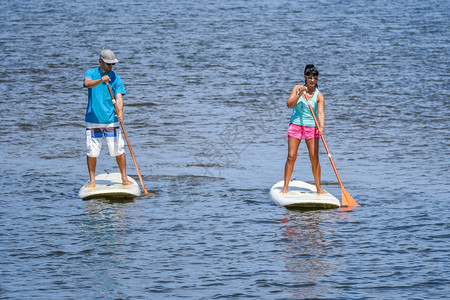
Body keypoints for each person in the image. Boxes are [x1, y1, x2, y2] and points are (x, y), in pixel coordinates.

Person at [83, 49, 132, 188]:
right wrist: (100, 80)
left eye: (113, 64)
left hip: (111, 120)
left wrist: (121, 112)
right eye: (108, 64)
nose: (111, 67)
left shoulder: (116, 78)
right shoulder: (91, 73)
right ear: (101, 62)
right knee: (92, 151)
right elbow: (87, 84)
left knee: (118, 150)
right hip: (93, 120)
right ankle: (92, 180)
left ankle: (124, 178)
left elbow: (119, 97)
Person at [281, 64, 326, 194]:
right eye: (309, 77)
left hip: (312, 127)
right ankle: (285, 187)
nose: (312, 80)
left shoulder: (319, 96)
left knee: (314, 157)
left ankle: (318, 187)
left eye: (315, 78)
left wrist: (321, 126)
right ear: (305, 78)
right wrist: (300, 94)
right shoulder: (297, 88)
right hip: (295, 125)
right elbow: (289, 105)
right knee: (291, 156)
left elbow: (321, 113)